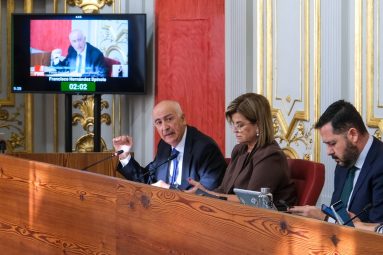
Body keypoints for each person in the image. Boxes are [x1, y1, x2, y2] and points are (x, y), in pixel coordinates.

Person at [186, 93, 297, 206]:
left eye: (240, 125)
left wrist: (208, 194)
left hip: (267, 220)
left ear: (258, 125)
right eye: (233, 124)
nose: (235, 130)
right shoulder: (239, 150)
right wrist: (202, 193)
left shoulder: (271, 156)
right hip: (235, 214)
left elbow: (253, 201)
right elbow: (224, 190)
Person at [289, 100, 383, 223]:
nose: (328, 152)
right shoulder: (344, 160)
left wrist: (324, 218)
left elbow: (378, 231)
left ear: (353, 135)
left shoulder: (380, 165)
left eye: (332, 143)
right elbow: (336, 213)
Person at [112, 100, 227, 190]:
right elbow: (148, 181)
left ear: (183, 119)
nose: (165, 127)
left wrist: (169, 190)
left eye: (169, 119)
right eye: (159, 122)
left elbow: (209, 195)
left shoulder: (205, 149)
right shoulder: (165, 145)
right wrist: (125, 156)